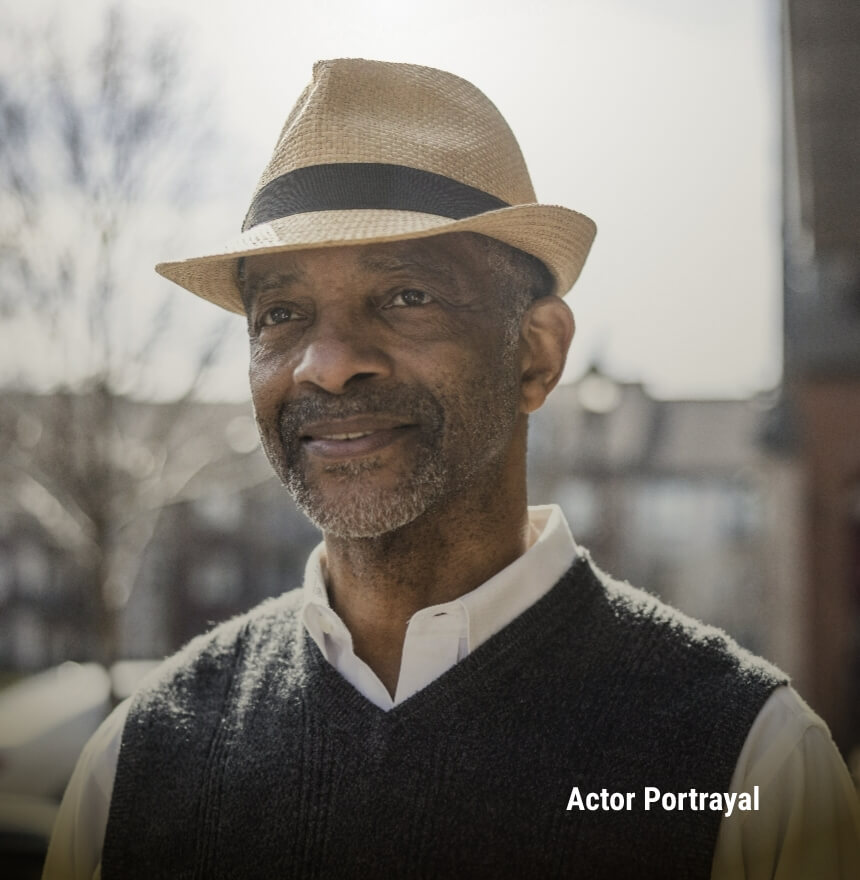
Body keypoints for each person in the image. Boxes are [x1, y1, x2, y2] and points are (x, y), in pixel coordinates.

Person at [44, 58, 859, 880]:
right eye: (281, 314)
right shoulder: (139, 766)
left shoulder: (746, 768)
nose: (327, 366)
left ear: (536, 355)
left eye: (405, 296)